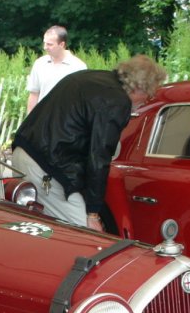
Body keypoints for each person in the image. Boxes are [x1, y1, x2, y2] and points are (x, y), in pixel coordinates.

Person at [11, 54, 166, 230]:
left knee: (43, 230)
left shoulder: (91, 78)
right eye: (148, 95)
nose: (145, 101)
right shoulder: (116, 101)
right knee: (84, 233)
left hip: (24, 152)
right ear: (140, 87)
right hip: (46, 165)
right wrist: (92, 213)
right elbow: (99, 157)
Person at [25, 25, 87, 113]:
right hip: (42, 118)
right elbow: (34, 94)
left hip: (67, 120)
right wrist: (30, 121)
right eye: (44, 43)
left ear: (62, 44)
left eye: (49, 44)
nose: (45, 47)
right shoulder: (39, 64)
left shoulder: (78, 67)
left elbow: (81, 99)